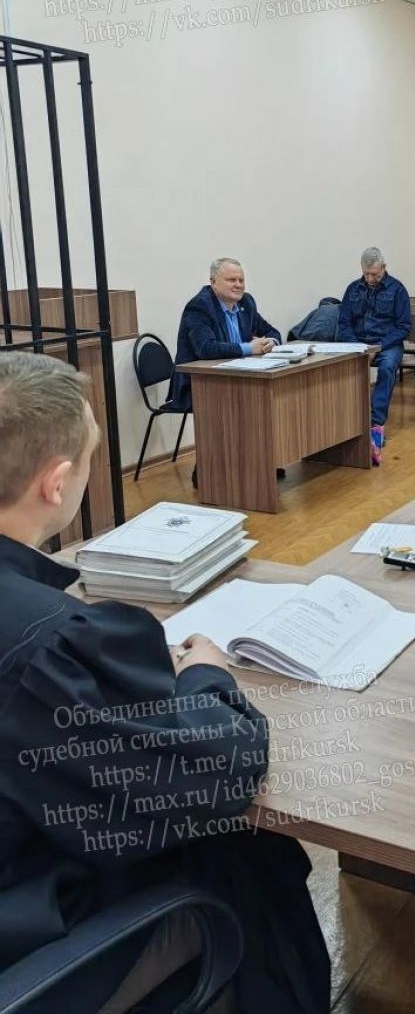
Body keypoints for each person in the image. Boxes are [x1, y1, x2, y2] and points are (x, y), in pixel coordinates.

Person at [0, 353, 330, 1014]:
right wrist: (205, 672)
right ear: (56, 484)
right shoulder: (47, 648)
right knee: (248, 848)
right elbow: (219, 770)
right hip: (33, 935)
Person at [170, 257, 282, 411]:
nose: (238, 285)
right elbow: (205, 348)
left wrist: (272, 342)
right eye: (231, 280)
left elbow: (271, 331)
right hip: (199, 385)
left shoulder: (246, 302)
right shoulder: (200, 306)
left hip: (237, 377)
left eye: (241, 280)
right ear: (213, 282)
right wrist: (249, 348)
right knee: (258, 401)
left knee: (271, 397)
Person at [338, 247, 411, 465]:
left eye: (375, 274)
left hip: (387, 344)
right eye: (366, 274)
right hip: (358, 343)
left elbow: (403, 327)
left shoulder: (397, 290)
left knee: (387, 368)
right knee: (338, 368)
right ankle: (349, 425)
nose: (370, 279)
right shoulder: (353, 289)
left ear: (384, 268)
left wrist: (378, 347)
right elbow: (344, 323)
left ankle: (375, 424)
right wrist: (357, 346)